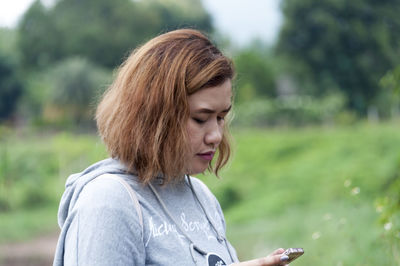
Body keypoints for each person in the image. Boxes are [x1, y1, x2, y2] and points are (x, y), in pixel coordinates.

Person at [53, 29, 290, 266]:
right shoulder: (107, 202)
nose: (216, 136)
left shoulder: (201, 197)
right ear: (154, 116)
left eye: (220, 118)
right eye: (200, 119)